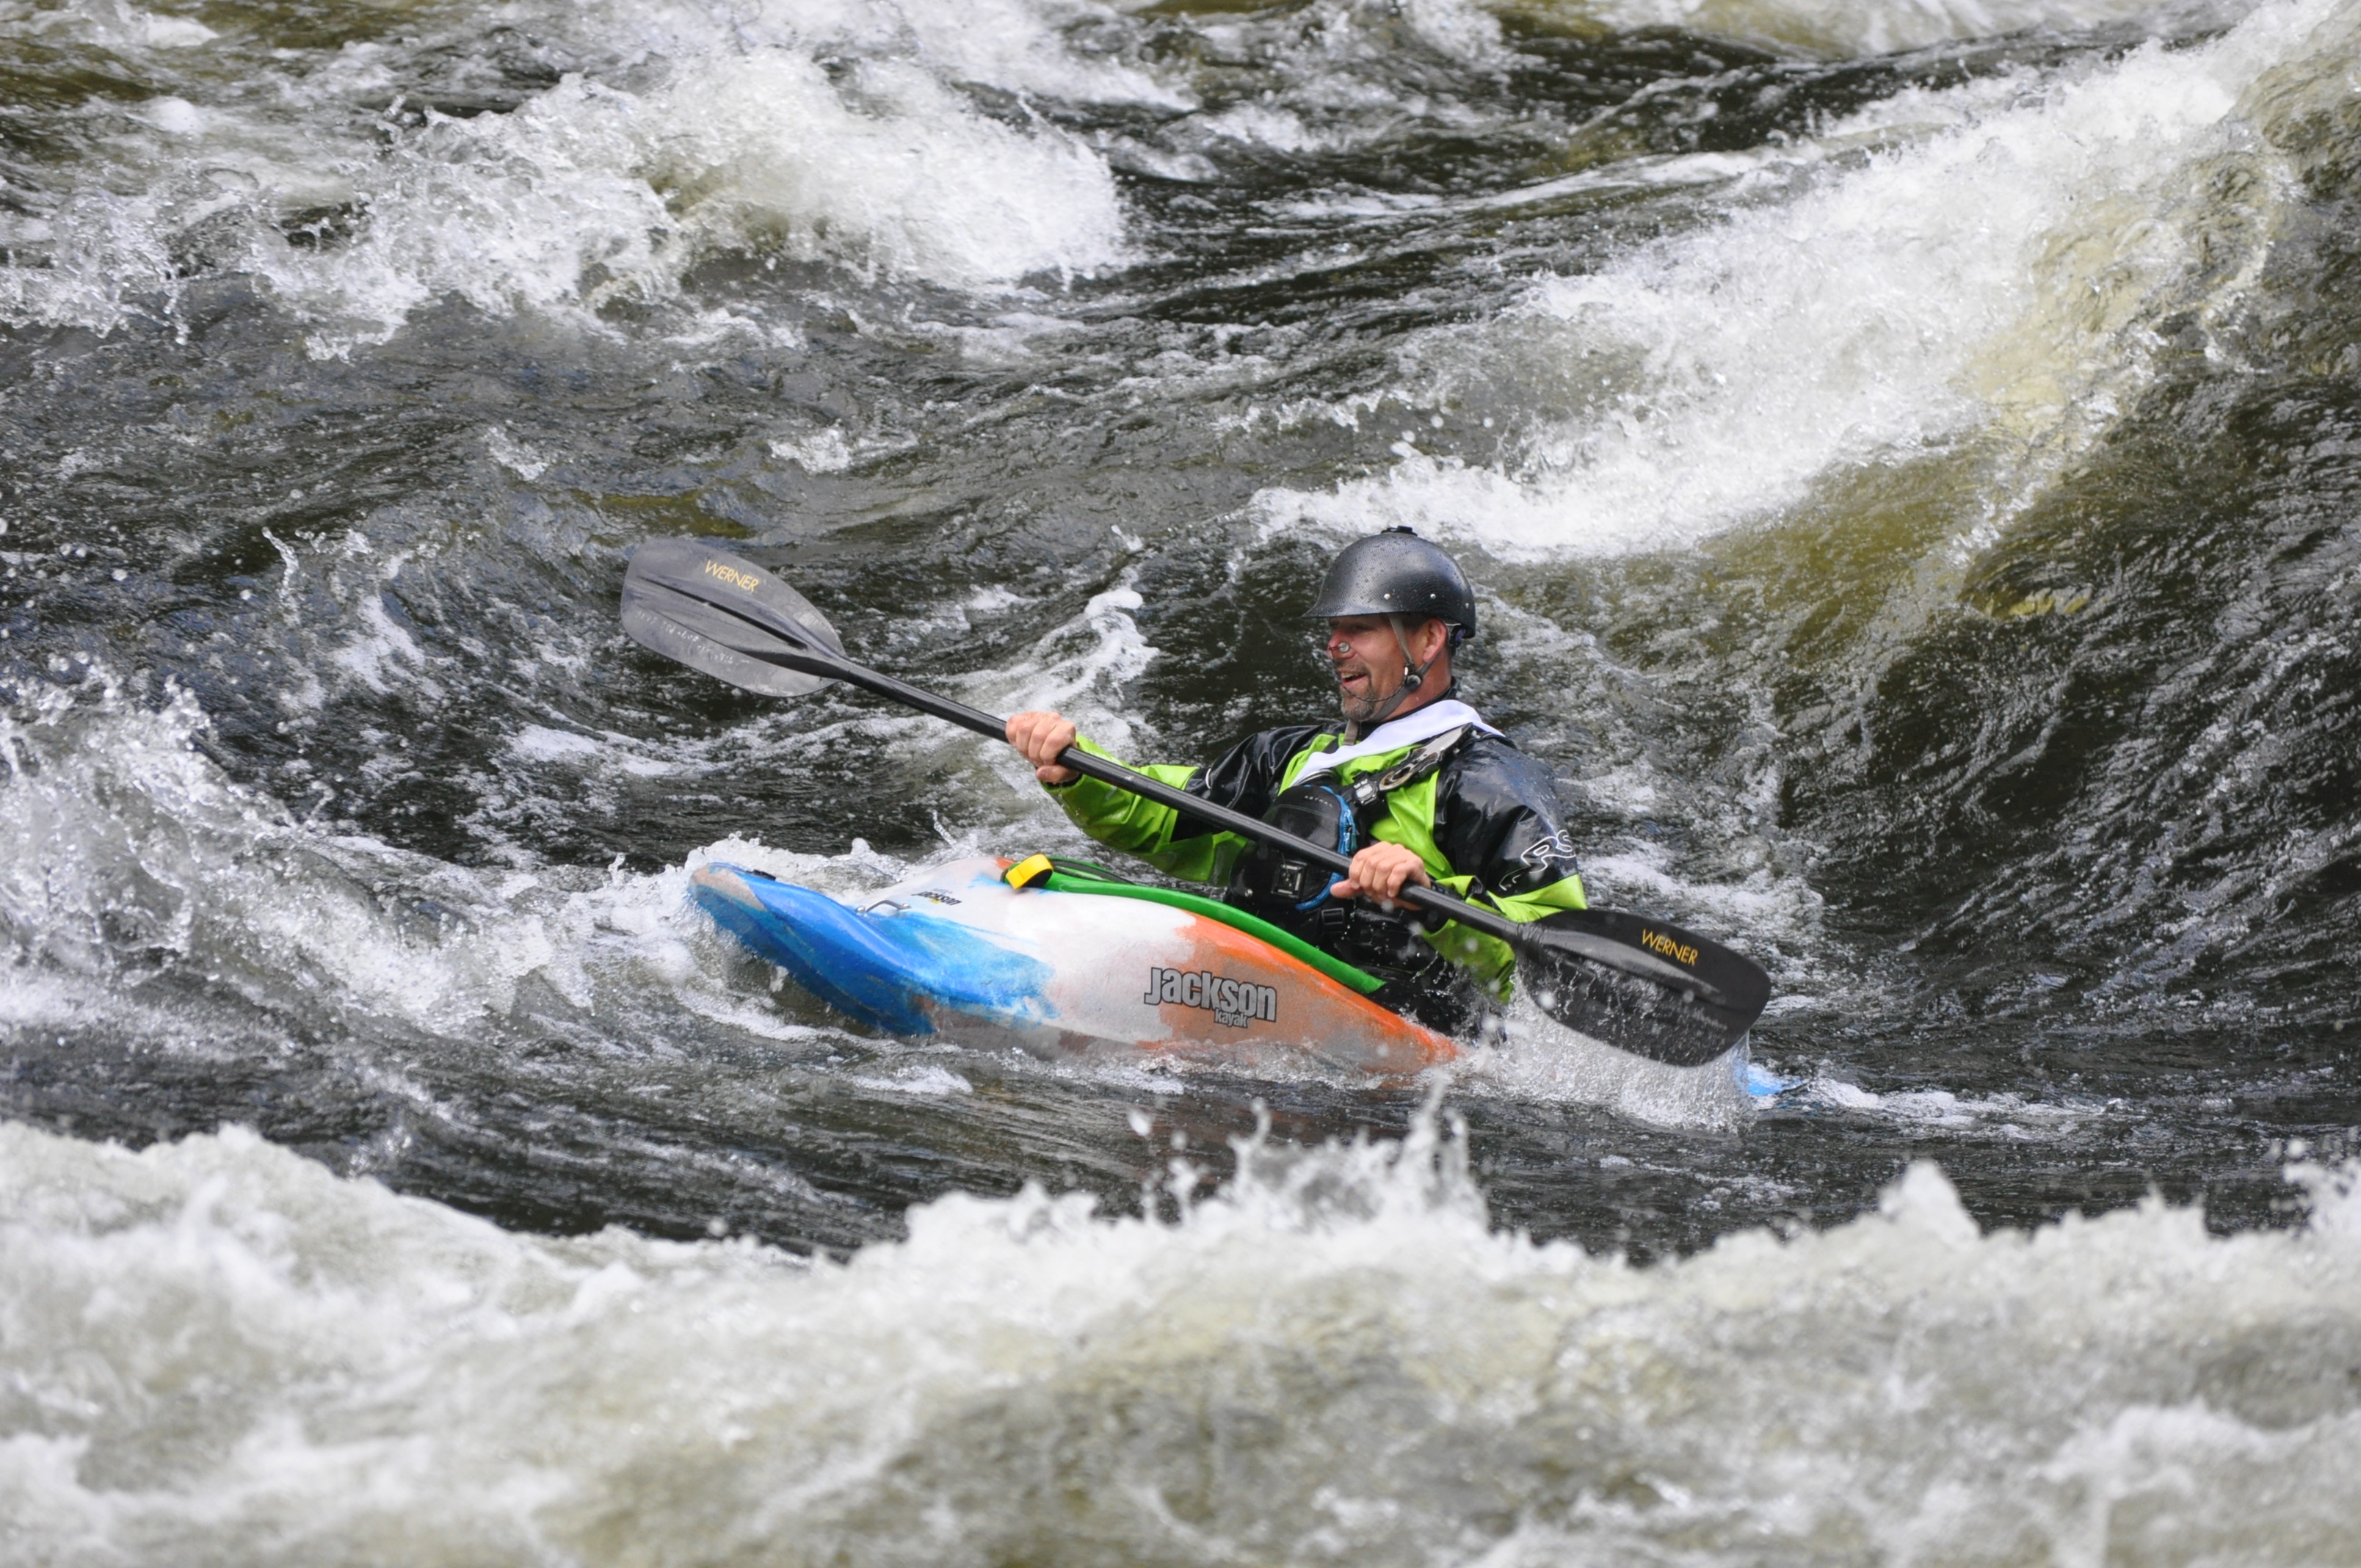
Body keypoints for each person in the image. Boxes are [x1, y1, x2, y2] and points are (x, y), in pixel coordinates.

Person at [1005, 527, 1588, 1036]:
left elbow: (1549, 959)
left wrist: (1431, 903)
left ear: (1429, 640)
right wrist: (1075, 766)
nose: (1335, 648)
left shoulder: (1490, 781)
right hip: (1266, 1004)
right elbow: (1166, 817)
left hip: (1411, 1042)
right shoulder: (1290, 755)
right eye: (1334, 630)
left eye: (1359, 630)